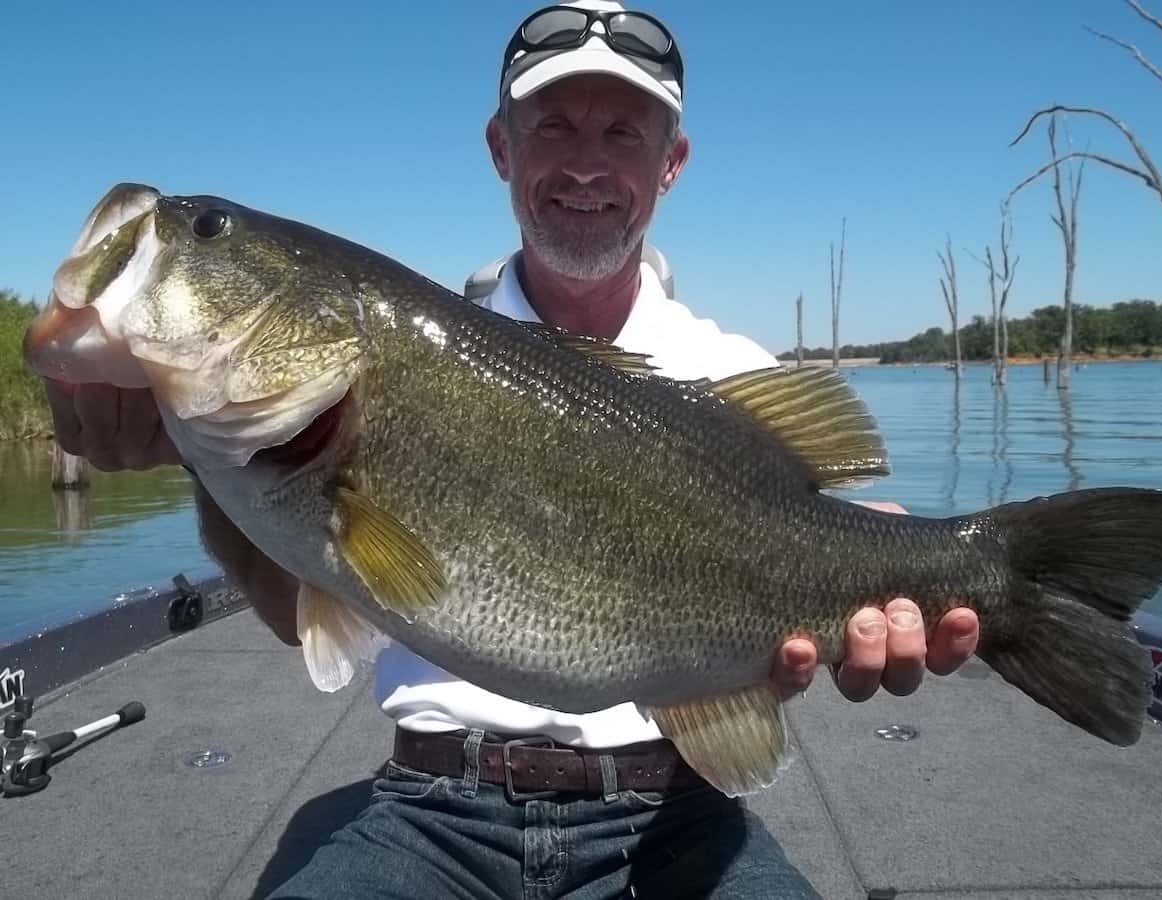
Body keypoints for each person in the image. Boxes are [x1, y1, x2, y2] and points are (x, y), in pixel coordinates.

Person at [42, 3, 981, 896]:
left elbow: (815, 579)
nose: (585, 164)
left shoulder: (732, 381)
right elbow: (306, 620)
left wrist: (887, 574)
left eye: (624, 134)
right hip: (433, 810)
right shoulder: (403, 353)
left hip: (679, 808)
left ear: (671, 164)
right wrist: (206, 465)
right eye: (553, 127)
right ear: (501, 147)